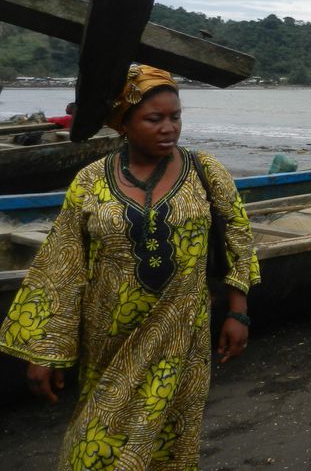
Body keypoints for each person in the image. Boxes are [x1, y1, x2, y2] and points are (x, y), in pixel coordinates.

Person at [0, 64, 260, 469]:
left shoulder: (206, 172)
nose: (168, 128)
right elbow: (62, 266)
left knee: (166, 442)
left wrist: (238, 313)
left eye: (175, 117)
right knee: (93, 445)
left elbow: (238, 240)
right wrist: (45, 352)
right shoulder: (90, 182)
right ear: (123, 123)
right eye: (153, 119)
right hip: (108, 341)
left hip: (180, 332)